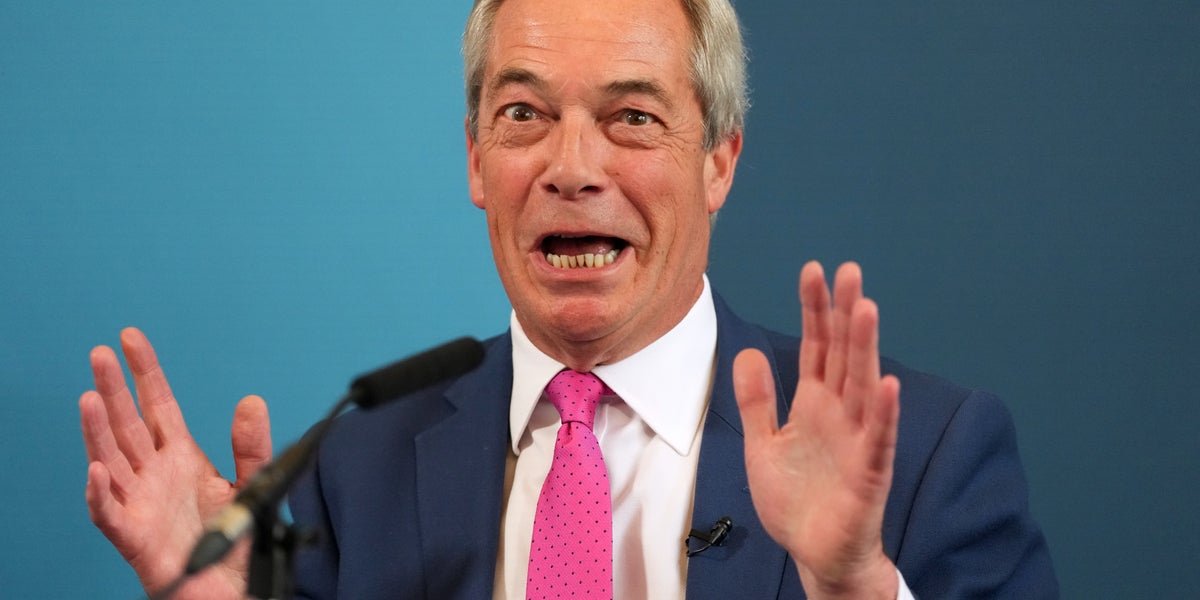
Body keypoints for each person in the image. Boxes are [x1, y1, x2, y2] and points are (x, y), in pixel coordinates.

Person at [79, 0, 1057, 598]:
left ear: (720, 161)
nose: (571, 166)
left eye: (632, 116)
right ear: (474, 161)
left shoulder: (928, 455)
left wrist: (849, 587)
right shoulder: (355, 468)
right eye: (524, 116)